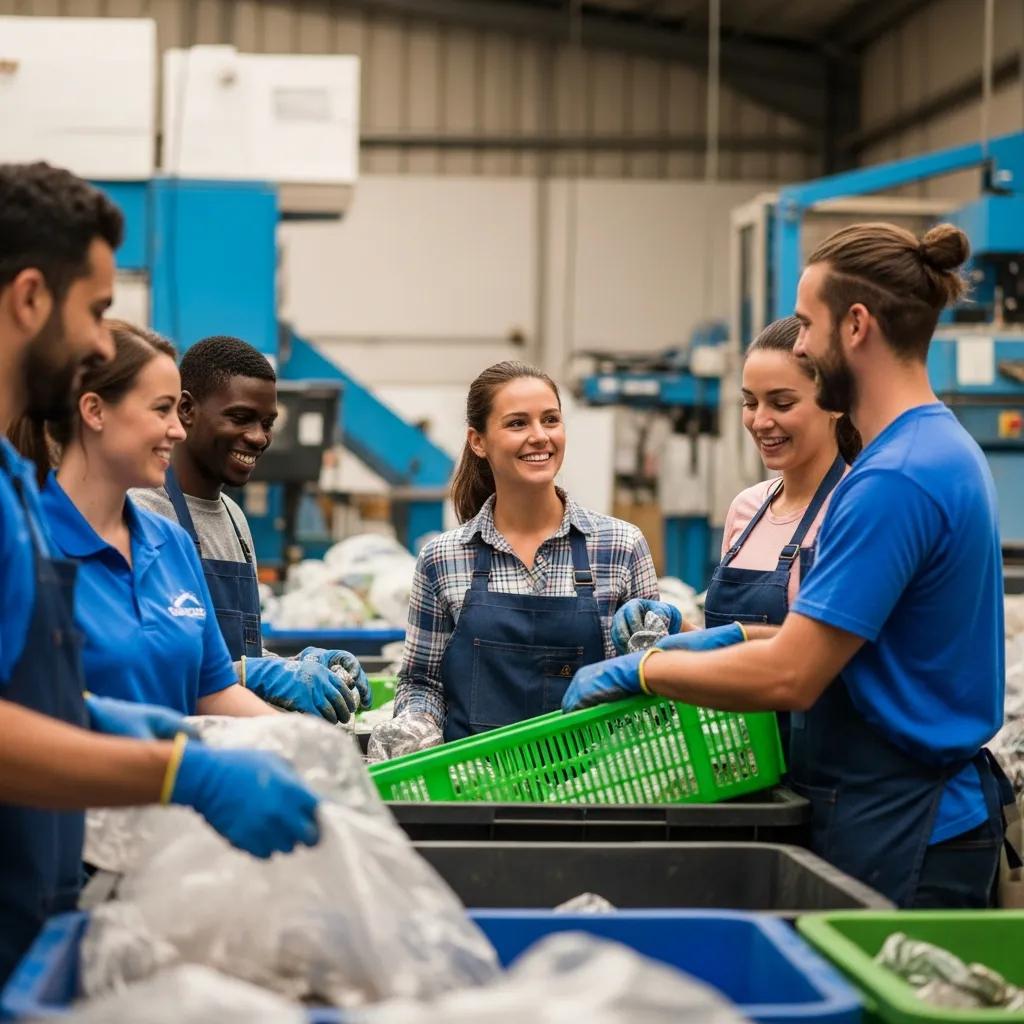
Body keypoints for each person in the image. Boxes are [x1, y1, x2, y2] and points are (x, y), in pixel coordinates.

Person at [562, 221, 1016, 909]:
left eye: (807, 324)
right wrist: (725, 638)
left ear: (856, 326)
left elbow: (795, 674)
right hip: (890, 807)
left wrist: (646, 670)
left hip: (906, 821)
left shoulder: (893, 478)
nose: (799, 343)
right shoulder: (935, 449)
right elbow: (852, 647)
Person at [0, 162, 320, 984]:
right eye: (98, 310)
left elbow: (30, 698)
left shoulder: (14, 491)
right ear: (31, 298)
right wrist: (178, 770)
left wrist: (121, 722)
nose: (103, 343)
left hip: (38, 915)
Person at [9, 319, 347, 721]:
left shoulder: (171, 544)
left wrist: (308, 745)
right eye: (161, 409)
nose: (177, 430)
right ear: (94, 411)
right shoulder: (28, 543)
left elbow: (212, 688)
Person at [369, 360, 661, 759]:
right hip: (471, 787)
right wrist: (413, 728)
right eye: (517, 423)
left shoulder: (620, 546)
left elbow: (648, 676)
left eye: (551, 420)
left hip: (593, 792)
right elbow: (423, 681)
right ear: (478, 441)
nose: (540, 437)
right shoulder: (444, 558)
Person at [614, 316, 861, 752]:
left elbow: (835, 657)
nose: (761, 421)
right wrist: (677, 630)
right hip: (740, 758)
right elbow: (730, 641)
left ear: (835, 402)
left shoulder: (856, 509)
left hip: (822, 757)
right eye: (750, 403)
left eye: (782, 403)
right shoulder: (747, 509)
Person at [130, 334, 369, 720]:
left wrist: (298, 665)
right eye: (240, 418)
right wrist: (257, 673)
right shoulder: (141, 512)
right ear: (186, 409)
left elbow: (239, 656)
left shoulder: (235, 520)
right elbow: (142, 666)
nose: (258, 437)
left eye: (268, 423)